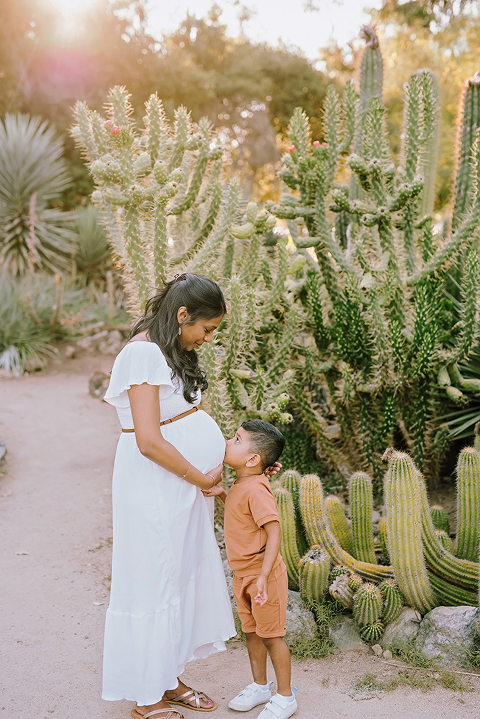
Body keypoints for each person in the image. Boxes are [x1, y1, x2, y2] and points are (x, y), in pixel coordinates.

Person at [102, 273, 236, 719]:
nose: (208, 338)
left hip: (178, 486)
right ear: (183, 315)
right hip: (154, 484)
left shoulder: (166, 352)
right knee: (153, 580)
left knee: (176, 578)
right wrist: (200, 477)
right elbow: (148, 440)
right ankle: (147, 699)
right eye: (207, 328)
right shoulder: (142, 354)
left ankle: (169, 677)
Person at [203, 420, 298, 719]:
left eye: (236, 439)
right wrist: (221, 494)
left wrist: (263, 576)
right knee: (252, 634)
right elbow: (240, 513)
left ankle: (285, 696)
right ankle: (259, 686)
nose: (228, 442)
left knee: (272, 636)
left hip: (262, 576)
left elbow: (274, 531)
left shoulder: (257, 489)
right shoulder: (241, 483)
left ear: (253, 459)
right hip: (241, 575)